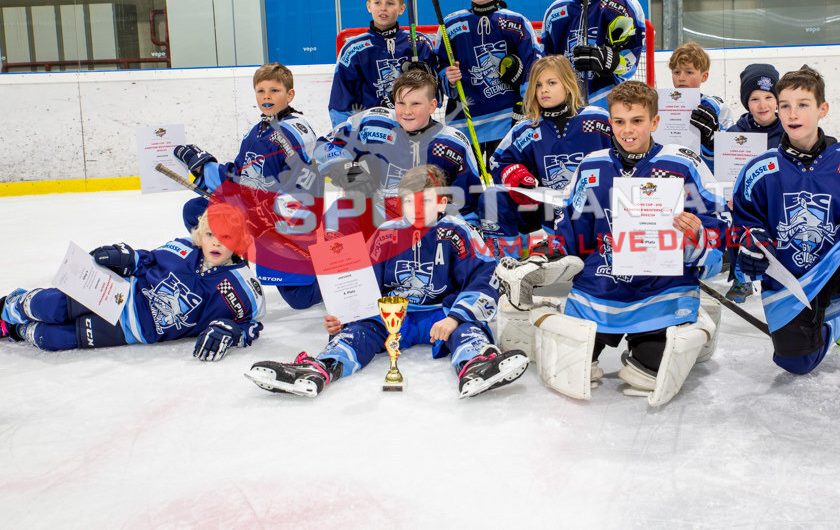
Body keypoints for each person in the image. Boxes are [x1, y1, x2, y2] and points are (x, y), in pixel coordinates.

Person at [500, 81, 726, 406]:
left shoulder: (684, 164)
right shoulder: (592, 165)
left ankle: (678, 329)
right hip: (599, 292)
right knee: (569, 370)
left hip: (659, 295)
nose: (627, 130)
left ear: (655, 122)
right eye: (619, 121)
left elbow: (719, 221)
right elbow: (572, 228)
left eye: (637, 120)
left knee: (650, 376)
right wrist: (544, 256)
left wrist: (699, 238)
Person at [244, 165, 529, 398]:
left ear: (442, 202)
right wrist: (344, 316)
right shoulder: (386, 234)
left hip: (439, 314)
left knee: (467, 327)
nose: (415, 208)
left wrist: (455, 318)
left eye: (425, 200)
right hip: (392, 314)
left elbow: (485, 276)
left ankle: (476, 363)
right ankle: (321, 368)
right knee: (360, 330)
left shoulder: (458, 231)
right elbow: (362, 283)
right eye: (408, 201)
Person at [730, 66, 840, 407]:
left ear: (822, 109)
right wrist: (750, 242)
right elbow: (743, 221)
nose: (792, 114)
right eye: (785, 106)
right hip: (791, 279)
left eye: (803, 104)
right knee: (796, 364)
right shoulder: (760, 169)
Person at [0, 203, 264, 361]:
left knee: (51, 337)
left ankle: (15, 331)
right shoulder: (183, 249)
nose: (216, 242)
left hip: (130, 331)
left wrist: (233, 331)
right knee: (50, 306)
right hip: (118, 293)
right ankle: (9, 307)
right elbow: (145, 260)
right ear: (199, 235)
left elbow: (251, 324)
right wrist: (127, 256)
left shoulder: (244, 288)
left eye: (227, 237)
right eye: (210, 234)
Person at [173, 62, 322, 310]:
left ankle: (333, 267)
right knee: (197, 211)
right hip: (253, 214)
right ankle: (233, 264)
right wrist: (206, 168)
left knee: (300, 298)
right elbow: (241, 175)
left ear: (290, 94)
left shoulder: (296, 133)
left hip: (283, 223)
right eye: (261, 91)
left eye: (274, 90)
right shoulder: (256, 130)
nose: (266, 96)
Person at [316, 69, 485, 227]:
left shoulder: (453, 144)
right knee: (338, 215)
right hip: (378, 220)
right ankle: (345, 259)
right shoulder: (372, 124)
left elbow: (468, 208)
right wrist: (343, 168)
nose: (407, 111)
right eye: (401, 103)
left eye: (416, 104)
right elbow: (322, 147)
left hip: (427, 227)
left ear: (433, 106)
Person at [487, 55, 613, 248]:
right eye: (538, 85)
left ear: (568, 84)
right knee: (493, 198)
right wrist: (515, 174)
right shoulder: (526, 129)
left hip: (597, 215)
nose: (543, 89)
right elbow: (497, 162)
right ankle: (509, 263)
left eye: (551, 82)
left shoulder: (598, 120)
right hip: (549, 213)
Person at [437, 0, 541, 158]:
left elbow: (533, 66)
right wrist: (446, 77)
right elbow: (438, 68)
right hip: (464, 123)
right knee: (469, 185)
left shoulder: (517, 22)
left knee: (505, 180)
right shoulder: (450, 26)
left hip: (507, 120)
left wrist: (527, 106)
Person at [542, 0, 646, 109]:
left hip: (608, 99)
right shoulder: (556, 11)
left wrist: (608, 60)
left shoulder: (623, 5)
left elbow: (631, 58)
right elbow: (546, 59)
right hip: (567, 102)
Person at [328, 0, 437, 128]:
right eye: (377, 2)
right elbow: (340, 103)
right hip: (372, 131)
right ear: (368, 6)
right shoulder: (354, 50)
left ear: (401, 8)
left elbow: (435, 96)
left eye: (390, 3)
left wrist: (428, 77)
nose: (383, 8)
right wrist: (345, 139)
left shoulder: (419, 43)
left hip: (412, 128)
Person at [723, 63, 783, 303]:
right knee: (734, 219)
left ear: (778, 99)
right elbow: (725, 174)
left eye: (769, 97)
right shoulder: (734, 134)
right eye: (755, 98)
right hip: (746, 203)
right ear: (746, 102)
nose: (763, 105)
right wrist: (729, 195)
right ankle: (741, 275)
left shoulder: (790, 131)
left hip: (778, 202)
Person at [668, 42, 735, 173]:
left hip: (705, 177)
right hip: (671, 172)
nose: (681, 78)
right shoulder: (661, 105)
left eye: (689, 72)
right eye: (676, 72)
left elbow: (729, 154)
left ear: (704, 76)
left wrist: (712, 141)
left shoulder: (716, 106)